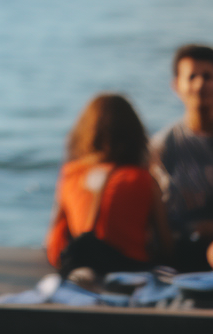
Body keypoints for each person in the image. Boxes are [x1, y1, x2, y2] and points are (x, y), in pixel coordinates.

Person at [46, 93, 170, 275]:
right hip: (131, 270)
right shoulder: (143, 179)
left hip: (82, 266)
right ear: (134, 134)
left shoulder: (71, 174)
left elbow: (54, 246)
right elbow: (166, 245)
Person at [152, 44, 213, 272]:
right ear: (176, 86)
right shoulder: (162, 146)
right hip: (181, 252)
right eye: (192, 77)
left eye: (208, 77)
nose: (200, 85)